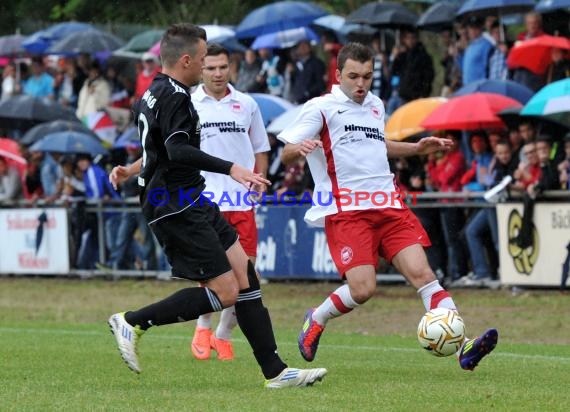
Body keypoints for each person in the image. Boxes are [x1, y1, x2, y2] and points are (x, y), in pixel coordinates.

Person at [107, 23, 327, 388]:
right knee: (226, 291)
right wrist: (233, 168)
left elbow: (157, 149)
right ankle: (132, 321)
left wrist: (134, 170)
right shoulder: (177, 96)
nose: (210, 64)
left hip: (191, 196)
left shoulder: (154, 92)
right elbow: (177, 150)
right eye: (205, 57)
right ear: (188, 59)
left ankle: (276, 372)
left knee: (246, 277)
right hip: (175, 205)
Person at [277, 42, 498, 373]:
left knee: (424, 275)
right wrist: (300, 148)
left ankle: (462, 349)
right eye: (353, 76)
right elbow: (285, 153)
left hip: (388, 206)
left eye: (367, 76)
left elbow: (376, 146)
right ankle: (317, 317)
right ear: (338, 75)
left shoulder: (376, 105)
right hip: (348, 211)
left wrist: (416, 148)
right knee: (363, 289)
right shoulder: (320, 108)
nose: (361, 84)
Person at [189, 43, 270, 361]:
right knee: (212, 274)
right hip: (207, 201)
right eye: (211, 68)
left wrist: (259, 179)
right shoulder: (190, 103)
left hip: (241, 203)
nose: (218, 73)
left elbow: (260, 147)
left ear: (231, 67)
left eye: (223, 67)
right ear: (201, 69)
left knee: (247, 277)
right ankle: (202, 327)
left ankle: (222, 335)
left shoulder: (247, 104)